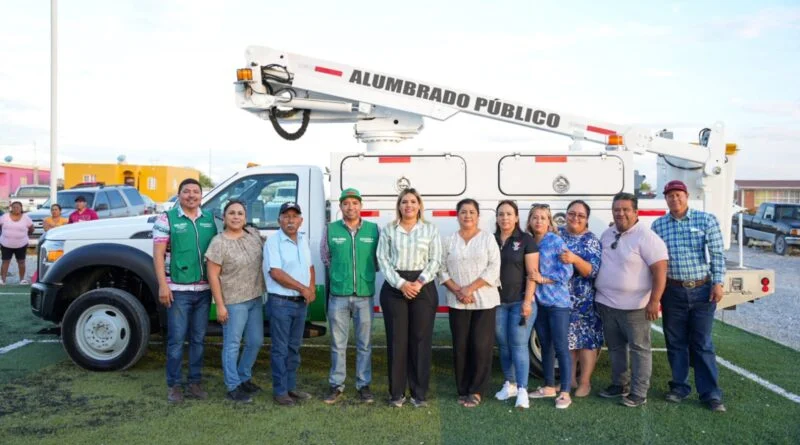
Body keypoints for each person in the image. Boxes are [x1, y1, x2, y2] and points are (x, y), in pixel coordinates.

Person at [652, 180, 727, 412]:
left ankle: (710, 393)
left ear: (686, 196)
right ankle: (679, 387)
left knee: (702, 343)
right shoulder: (658, 226)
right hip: (672, 291)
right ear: (666, 199)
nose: (675, 199)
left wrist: (718, 283)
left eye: (678, 195)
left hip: (702, 290)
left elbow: (717, 254)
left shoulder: (706, 220)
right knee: (675, 342)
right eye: (670, 195)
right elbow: (654, 259)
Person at [595, 192, 667, 408]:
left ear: (636, 212)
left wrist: (654, 301)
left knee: (639, 349)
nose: (621, 213)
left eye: (626, 209)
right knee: (615, 348)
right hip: (607, 304)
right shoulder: (607, 234)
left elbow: (660, 270)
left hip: (636, 306)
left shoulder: (647, 237)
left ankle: (639, 392)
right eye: (617, 209)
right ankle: (620, 384)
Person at [153, 178, 218, 403]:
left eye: (195, 191)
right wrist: (163, 285)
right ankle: (174, 385)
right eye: (186, 191)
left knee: (199, 339)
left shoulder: (209, 219)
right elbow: (158, 254)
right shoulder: (166, 218)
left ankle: (194, 383)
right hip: (178, 290)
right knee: (177, 340)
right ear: (179, 195)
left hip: (204, 290)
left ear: (201, 195)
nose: (191, 195)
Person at [377, 188, 441, 408]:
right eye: (404, 202)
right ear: (399, 206)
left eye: (413, 201)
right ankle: (397, 394)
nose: (409, 205)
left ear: (419, 205)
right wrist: (402, 284)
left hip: (423, 286)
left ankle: (419, 394)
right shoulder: (389, 230)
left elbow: (435, 260)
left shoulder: (430, 229)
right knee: (397, 341)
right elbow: (383, 260)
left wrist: (418, 282)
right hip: (395, 288)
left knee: (420, 341)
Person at [439, 198, 501, 408]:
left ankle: (476, 391)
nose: (467, 216)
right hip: (457, 301)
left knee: (481, 346)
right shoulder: (449, 240)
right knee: (461, 346)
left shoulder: (487, 239)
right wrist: (458, 290)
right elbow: (441, 268)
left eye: (471, 212)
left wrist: (470, 288)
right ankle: (463, 389)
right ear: (457, 216)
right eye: (463, 212)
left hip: (484, 301)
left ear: (478, 216)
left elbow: (494, 267)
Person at [320, 188, 379, 405]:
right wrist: (341, 275)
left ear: (360, 206)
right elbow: (325, 257)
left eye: (355, 203)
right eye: (346, 203)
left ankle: (363, 385)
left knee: (365, 344)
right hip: (339, 295)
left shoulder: (374, 230)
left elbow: (378, 259)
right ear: (341, 207)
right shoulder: (330, 229)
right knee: (338, 344)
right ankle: (336, 385)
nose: (350, 207)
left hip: (364, 295)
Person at [205, 200, 266, 404]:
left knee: (255, 341)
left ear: (245, 218)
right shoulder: (218, 242)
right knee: (232, 344)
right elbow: (213, 276)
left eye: (240, 213)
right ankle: (232, 385)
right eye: (232, 213)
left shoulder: (253, 235)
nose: (236, 217)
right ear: (224, 217)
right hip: (233, 301)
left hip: (255, 298)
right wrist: (220, 306)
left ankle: (244, 376)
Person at [263, 201, 316, 407]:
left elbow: (310, 266)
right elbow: (276, 273)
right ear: (279, 220)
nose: (290, 220)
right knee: (280, 349)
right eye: (286, 216)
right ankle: (280, 391)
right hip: (281, 302)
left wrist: (311, 288)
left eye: (294, 216)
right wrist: (303, 289)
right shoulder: (273, 242)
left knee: (294, 348)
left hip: (299, 303)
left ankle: (291, 387)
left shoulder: (303, 240)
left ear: (301, 220)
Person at [526, 204, 574, 409]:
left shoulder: (555, 241)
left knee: (561, 346)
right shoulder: (529, 242)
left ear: (549, 222)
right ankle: (548, 386)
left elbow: (567, 272)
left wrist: (543, 279)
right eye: (535, 217)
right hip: (540, 303)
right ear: (529, 221)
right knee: (546, 345)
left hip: (558, 303)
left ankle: (565, 391)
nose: (539, 221)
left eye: (543, 218)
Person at [492, 200, 539, 409]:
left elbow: (532, 274)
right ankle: (509, 384)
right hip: (497, 303)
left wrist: (527, 302)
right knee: (503, 345)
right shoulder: (491, 240)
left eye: (509, 214)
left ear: (517, 217)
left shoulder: (526, 240)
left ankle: (522, 390)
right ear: (496, 218)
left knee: (519, 345)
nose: (505, 218)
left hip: (520, 302)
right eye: (501, 214)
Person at [558, 200, 603, 398]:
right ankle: (569, 380)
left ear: (586, 219)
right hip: (561, 299)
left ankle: (585, 382)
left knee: (586, 342)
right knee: (568, 340)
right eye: (571, 213)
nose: (575, 218)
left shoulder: (591, 240)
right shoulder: (557, 234)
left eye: (581, 215)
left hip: (584, 300)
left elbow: (592, 271)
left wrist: (574, 259)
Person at [0, 201, 33, 285]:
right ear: (11, 208)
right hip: (6, 244)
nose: (16, 209)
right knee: (5, 261)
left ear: (21, 208)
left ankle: (22, 280)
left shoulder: (26, 218)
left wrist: (25, 235)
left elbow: (31, 228)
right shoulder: (5, 217)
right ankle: (2, 280)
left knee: (21, 262)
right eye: (14, 207)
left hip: (21, 244)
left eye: (17, 207)